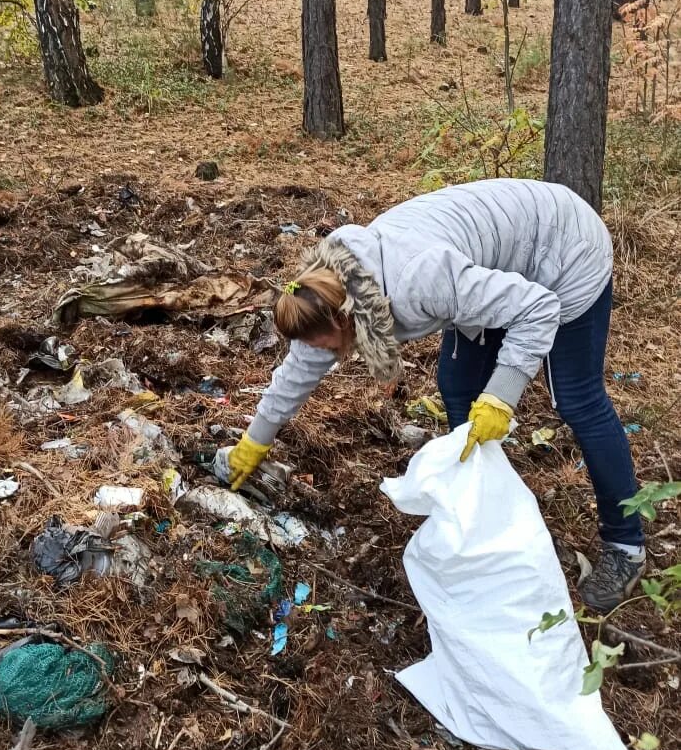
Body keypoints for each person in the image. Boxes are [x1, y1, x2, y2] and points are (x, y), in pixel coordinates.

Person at [220, 178, 644, 613]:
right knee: (458, 387)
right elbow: (298, 370)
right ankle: (486, 517)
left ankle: (625, 545)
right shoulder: (330, 289)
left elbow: (536, 307)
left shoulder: (418, 280)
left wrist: (502, 393)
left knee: (578, 399)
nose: (324, 355)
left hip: (563, 249)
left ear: (346, 317)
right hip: (494, 264)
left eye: (326, 343)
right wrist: (255, 439)